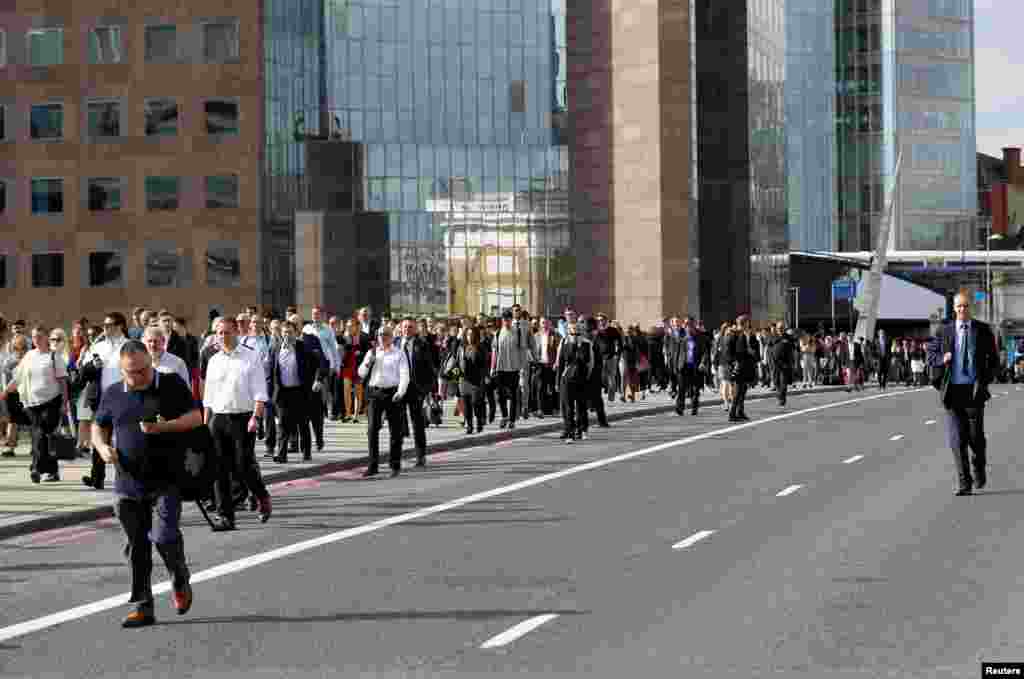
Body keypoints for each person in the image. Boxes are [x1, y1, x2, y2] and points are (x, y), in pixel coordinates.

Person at [91, 341, 200, 628]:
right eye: (130, 372)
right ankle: (143, 607)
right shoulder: (114, 392)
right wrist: (102, 447)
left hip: (166, 480)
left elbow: (195, 417)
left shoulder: (171, 383)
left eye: (142, 370)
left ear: (150, 363)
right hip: (127, 484)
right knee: (136, 547)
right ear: (121, 369)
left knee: (164, 537)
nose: (137, 377)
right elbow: (98, 425)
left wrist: (164, 427)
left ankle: (179, 577)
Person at [202, 317, 273, 530]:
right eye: (219, 333)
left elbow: (260, 391)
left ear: (236, 332)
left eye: (227, 332)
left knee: (242, 466)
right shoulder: (214, 360)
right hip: (218, 418)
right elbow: (208, 396)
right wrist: (206, 424)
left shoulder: (250, 357)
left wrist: (256, 417)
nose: (223, 336)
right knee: (219, 469)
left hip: (244, 418)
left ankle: (262, 496)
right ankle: (226, 517)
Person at [927, 290, 999, 496]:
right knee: (957, 440)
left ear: (970, 308)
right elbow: (931, 355)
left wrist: (985, 381)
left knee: (976, 438)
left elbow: (994, 360)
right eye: (959, 306)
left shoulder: (982, 330)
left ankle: (979, 467)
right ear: (954, 309)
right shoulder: (944, 330)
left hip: (974, 391)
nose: (962, 310)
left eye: (965, 306)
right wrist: (943, 358)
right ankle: (964, 483)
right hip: (953, 391)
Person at [0, 326, 70, 481]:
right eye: (34, 337)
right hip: (32, 403)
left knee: (41, 434)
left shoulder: (54, 356)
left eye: (40, 336)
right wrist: (5, 392)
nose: (36, 339)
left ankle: (36, 468)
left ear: (46, 338)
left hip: (51, 401)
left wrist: (64, 403)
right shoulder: (30, 355)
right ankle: (52, 471)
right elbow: (18, 377)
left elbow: (62, 381)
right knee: (41, 436)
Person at [80, 312, 131, 490]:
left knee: (124, 438)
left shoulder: (129, 346)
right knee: (100, 438)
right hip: (101, 399)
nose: (105, 328)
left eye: (109, 325)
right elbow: (83, 373)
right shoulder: (98, 346)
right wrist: (92, 366)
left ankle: (126, 476)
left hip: (124, 398)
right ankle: (97, 478)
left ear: (120, 326)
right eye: (104, 325)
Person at [358, 326, 410, 477]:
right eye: (380, 334)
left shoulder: (399, 354)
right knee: (372, 429)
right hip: (375, 392)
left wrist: (400, 392)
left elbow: (404, 374)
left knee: (395, 430)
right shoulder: (372, 352)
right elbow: (360, 373)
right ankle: (372, 465)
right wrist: (369, 362)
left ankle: (395, 464)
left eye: (386, 334)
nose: (382, 337)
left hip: (393, 392)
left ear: (391, 337)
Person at [268, 320, 319, 463]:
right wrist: (270, 392)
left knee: (302, 423)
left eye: (290, 332)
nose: (287, 335)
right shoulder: (275, 348)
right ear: (281, 333)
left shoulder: (303, 347)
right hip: (283, 393)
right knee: (283, 424)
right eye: (285, 332)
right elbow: (271, 372)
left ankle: (306, 451)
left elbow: (317, 364)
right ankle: (282, 454)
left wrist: (316, 380)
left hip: (300, 392)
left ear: (296, 333)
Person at [398, 318, 435, 467]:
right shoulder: (395, 343)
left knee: (417, 424)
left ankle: (421, 456)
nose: (407, 329)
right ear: (401, 328)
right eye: (405, 326)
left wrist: (425, 390)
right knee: (397, 424)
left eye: (410, 327)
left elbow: (429, 369)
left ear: (415, 329)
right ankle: (397, 455)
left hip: (416, 389)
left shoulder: (422, 344)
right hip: (399, 389)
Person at [490, 309, 530, 430]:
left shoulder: (518, 332)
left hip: (513, 368)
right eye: (504, 319)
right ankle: (504, 416)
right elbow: (494, 352)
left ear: (511, 320)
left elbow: (523, 351)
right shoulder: (498, 333)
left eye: (508, 319)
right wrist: (492, 367)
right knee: (501, 394)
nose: (506, 322)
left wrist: (523, 367)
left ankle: (512, 420)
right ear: (502, 321)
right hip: (501, 368)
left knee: (513, 395)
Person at [555, 320, 593, 442]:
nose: (574, 334)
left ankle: (582, 429)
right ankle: (569, 431)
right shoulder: (564, 342)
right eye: (572, 332)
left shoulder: (586, 343)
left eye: (577, 331)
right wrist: (557, 380)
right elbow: (560, 362)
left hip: (581, 378)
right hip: (567, 378)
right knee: (568, 406)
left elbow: (588, 361)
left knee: (581, 405)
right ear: (568, 331)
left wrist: (578, 345)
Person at [673, 317, 709, 416]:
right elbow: (677, 352)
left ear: (693, 325)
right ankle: (679, 409)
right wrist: (675, 367)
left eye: (689, 324)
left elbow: (705, 352)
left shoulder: (700, 336)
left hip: (696, 367)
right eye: (685, 324)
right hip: (683, 366)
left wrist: (703, 362)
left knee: (695, 389)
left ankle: (694, 407)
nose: (687, 326)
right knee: (681, 389)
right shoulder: (681, 335)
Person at [458, 326, 489, 434]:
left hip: (476, 380)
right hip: (464, 380)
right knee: (466, 405)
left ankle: (479, 421)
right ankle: (470, 426)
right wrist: (456, 377)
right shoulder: (461, 347)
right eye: (467, 334)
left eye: (472, 334)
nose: (469, 337)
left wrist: (485, 376)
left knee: (476, 403)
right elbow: (456, 363)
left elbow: (485, 364)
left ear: (475, 336)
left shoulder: (480, 347)